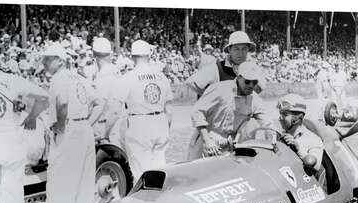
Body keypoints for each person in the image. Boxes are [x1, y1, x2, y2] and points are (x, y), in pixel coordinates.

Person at [0, 39, 48, 203]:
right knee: (13, 199)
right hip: (11, 144)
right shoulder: (12, 80)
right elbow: (44, 97)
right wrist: (32, 117)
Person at [43, 43, 96, 203]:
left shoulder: (58, 78)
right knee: (83, 185)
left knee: (61, 184)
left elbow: (63, 103)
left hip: (69, 129)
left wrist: (59, 127)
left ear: (59, 61)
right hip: (84, 127)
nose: (44, 63)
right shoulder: (78, 76)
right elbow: (96, 101)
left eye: (48, 59)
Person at [188, 61, 274, 160]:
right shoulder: (219, 89)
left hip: (229, 145)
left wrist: (276, 135)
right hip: (207, 140)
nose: (251, 85)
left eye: (254, 82)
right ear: (239, 77)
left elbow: (267, 121)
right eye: (247, 81)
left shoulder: (254, 99)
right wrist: (206, 140)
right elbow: (197, 112)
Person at [119, 39, 173, 183]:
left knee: (141, 174)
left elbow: (118, 106)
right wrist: (166, 126)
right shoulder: (161, 76)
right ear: (148, 55)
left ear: (132, 56)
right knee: (160, 170)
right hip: (160, 120)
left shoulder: (128, 77)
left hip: (139, 122)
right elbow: (169, 108)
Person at [186, 30, 256, 97]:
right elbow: (191, 82)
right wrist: (211, 98)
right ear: (229, 50)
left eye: (244, 49)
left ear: (248, 49)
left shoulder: (251, 68)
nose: (240, 53)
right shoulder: (218, 68)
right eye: (236, 49)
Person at [89, 37, 125, 146]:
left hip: (108, 128)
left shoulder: (103, 76)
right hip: (119, 124)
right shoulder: (116, 71)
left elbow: (100, 106)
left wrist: (85, 126)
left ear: (94, 55)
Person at [277, 94, 323, 172]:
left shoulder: (314, 139)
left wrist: (298, 150)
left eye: (285, 114)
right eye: (280, 113)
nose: (280, 118)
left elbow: (316, 166)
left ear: (298, 117)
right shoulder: (279, 136)